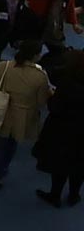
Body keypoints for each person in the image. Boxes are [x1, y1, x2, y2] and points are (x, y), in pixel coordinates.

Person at [0, 38, 53, 187]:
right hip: (23, 117)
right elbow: (41, 102)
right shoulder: (40, 76)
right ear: (36, 55)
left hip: (1, 112)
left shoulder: (4, 66)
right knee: (12, 144)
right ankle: (3, 168)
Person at [34, 49, 84, 206]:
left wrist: (50, 96)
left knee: (60, 165)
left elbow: (55, 107)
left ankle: (55, 195)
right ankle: (74, 195)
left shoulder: (67, 83)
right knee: (80, 166)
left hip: (63, 131)